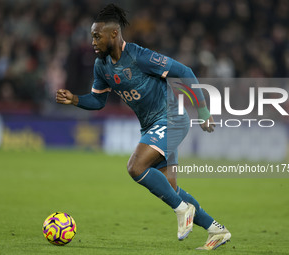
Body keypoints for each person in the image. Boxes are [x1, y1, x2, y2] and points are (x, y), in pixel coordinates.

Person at [56, 3, 231, 250]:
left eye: (97, 36)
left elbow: (185, 71)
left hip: (172, 118)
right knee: (170, 189)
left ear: (113, 34)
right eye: (92, 36)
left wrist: (203, 112)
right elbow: (98, 100)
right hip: (152, 125)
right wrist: (74, 99)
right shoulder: (102, 66)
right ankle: (216, 230)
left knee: (135, 167)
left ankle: (183, 210)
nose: (93, 41)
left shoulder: (139, 56)